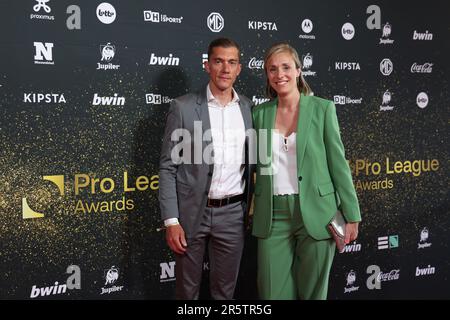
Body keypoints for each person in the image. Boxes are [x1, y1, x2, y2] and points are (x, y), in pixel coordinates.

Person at [252, 43, 361, 300]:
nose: (280, 74)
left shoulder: (322, 109)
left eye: (286, 67)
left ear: (299, 70)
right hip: (272, 215)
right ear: (267, 75)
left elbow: (338, 164)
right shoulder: (259, 114)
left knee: (313, 294)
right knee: (271, 292)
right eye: (272, 69)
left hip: (317, 212)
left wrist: (352, 214)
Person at [158, 38, 253, 300]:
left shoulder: (248, 109)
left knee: (225, 293)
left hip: (233, 215)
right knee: (187, 293)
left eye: (231, 62)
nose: (225, 68)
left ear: (239, 69)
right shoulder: (184, 107)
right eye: (218, 61)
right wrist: (171, 221)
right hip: (190, 215)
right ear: (207, 65)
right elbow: (168, 167)